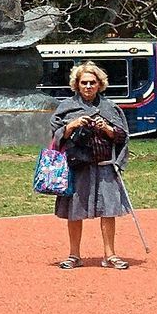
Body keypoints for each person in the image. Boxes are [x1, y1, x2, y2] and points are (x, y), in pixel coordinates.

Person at [51, 61, 132, 270]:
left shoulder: (110, 107)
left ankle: (110, 255)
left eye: (92, 83)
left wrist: (107, 129)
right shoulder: (66, 107)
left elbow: (122, 136)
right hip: (77, 167)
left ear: (99, 84)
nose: (88, 87)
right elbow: (56, 135)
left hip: (105, 167)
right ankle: (74, 255)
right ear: (77, 84)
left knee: (109, 210)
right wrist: (72, 125)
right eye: (84, 83)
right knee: (74, 211)